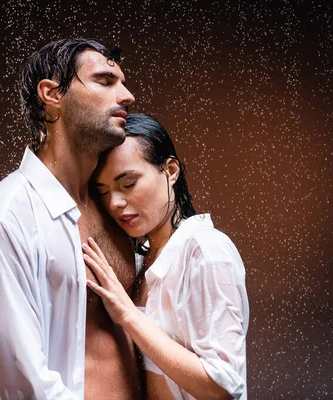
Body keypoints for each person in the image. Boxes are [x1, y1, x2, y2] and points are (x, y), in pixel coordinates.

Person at [0, 38, 144, 399]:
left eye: (122, 82)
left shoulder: (121, 212)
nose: (127, 96)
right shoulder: (3, 220)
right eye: (106, 81)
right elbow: (23, 384)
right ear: (51, 94)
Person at [83, 113, 249, 400]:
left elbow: (223, 386)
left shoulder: (206, 252)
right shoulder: (139, 259)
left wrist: (128, 315)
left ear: (171, 170)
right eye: (104, 192)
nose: (115, 203)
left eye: (128, 183)